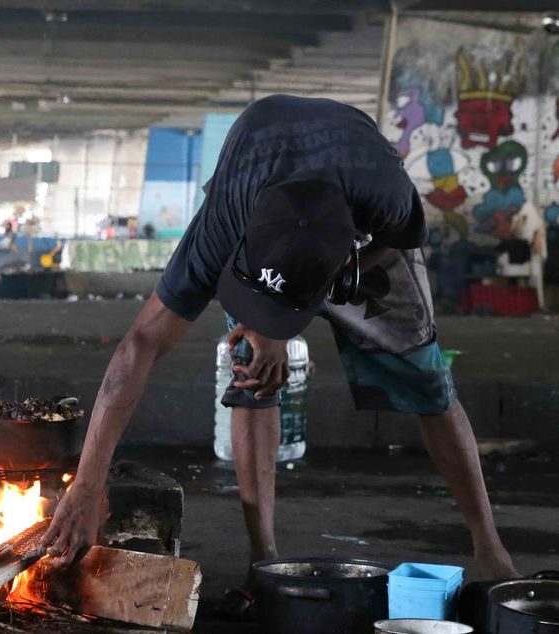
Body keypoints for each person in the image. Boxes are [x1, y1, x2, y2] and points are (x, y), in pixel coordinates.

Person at [41, 96, 520, 607]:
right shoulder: (222, 226)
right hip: (263, 175)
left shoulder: (387, 195)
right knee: (251, 370)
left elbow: (398, 239)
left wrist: (329, 284)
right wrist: (86, 488)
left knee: (425, 378)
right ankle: (264, 559)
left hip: (352, 223)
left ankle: (490, 548)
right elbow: (139, 345)